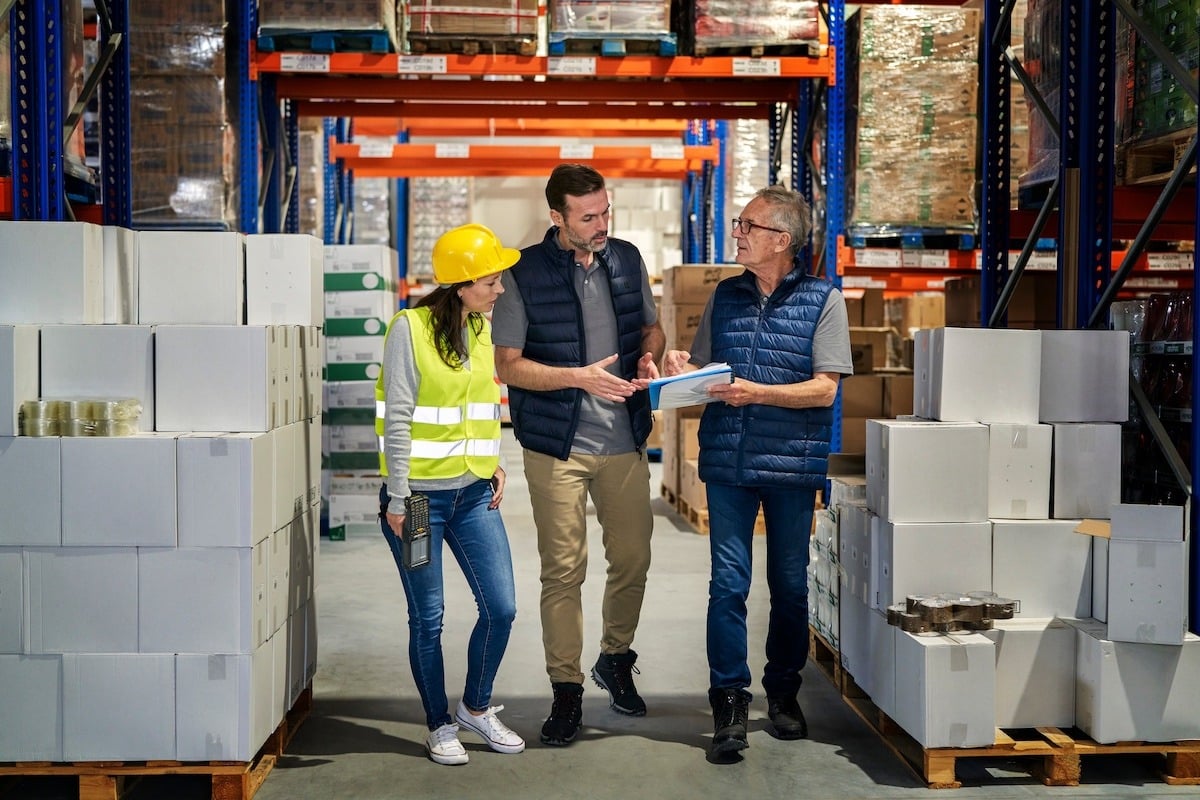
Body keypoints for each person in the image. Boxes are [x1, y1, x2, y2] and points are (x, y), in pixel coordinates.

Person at [660, 186, 853, 761]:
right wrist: (677, 368)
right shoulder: (726, 297)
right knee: (728, 584)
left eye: (748, 225)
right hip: (728, 461)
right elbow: (701, 370)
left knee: (790, 587)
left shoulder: (824, 300)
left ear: (781, 240)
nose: (737, 232)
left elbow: (825, 389)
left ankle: (784, 692)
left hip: (791, 463)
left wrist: (757, 392)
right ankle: (728, 700)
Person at [490, 163, 665, 747]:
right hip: (556, 447)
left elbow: (652, 329)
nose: (601, 224)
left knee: (634, 559)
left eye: (606, 211)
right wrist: (578, 378)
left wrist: (648, 358)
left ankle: (615, 658)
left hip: (624, 442)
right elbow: (507, 364)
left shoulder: (627, 259)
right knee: (564, 571)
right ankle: (566, 690)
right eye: (588, 216)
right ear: (557, 217)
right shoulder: (522, 272)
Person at [375, 223, 525, 766]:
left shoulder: (482, 330)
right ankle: (439, 723)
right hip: (416, 503)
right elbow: (397, 419)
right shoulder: (407, 330)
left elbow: (484, 405)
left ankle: (475, 709)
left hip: (472, 495)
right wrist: (396, 498)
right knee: (429, 616)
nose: (500, 288)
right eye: (491, 280)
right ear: (461, 284)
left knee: (502, 607)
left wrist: (496, 462)